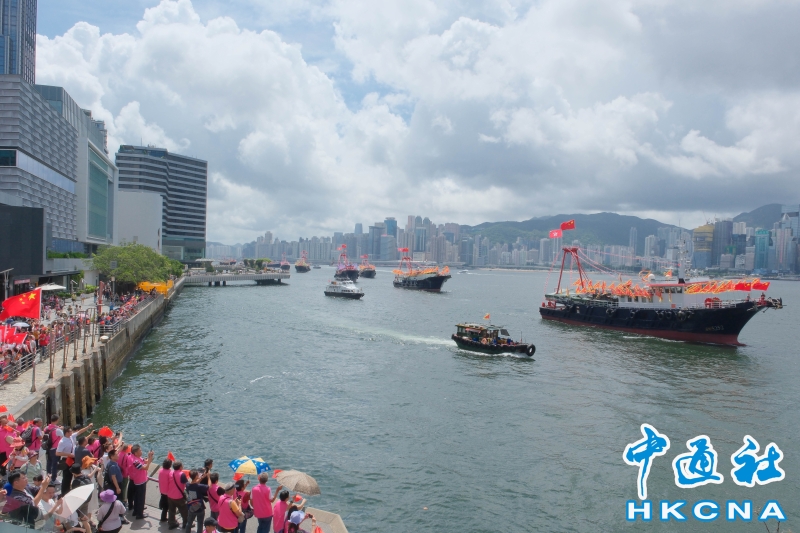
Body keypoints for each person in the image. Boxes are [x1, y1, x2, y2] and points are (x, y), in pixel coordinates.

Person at [129, 445, 155, 520]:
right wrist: (149, 461)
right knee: (141, 498)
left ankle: (135, 511)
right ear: (136, 453)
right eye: (140, 450)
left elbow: (146, 461)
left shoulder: (137, 458)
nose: (141, 451)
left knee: (137, 497)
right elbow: (146, 467)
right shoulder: (135, 461)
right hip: (140, 481)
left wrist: (150, 456)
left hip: (138, 480)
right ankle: (139, 514)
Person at [166, 460, 189, 529]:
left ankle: (171, 523)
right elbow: (187, 484)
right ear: (180, 467)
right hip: (179, 496)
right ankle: (186, 523)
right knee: (184, 510)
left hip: (170, 495)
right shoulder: (182, 474)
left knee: (171, 510)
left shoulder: (170, 473)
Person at [55, 426, 76, 493]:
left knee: (70, 475)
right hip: (66, 459)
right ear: (67, 432)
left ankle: (68, 489)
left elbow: (79, 432)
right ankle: (64, 492)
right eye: (70, 431)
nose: (72, 432)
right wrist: (68, 454)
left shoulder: (70, 437)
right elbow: (57, 453)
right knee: (66, 477)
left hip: (72, 459)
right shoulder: (62, 441)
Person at [44, 415, 63, 479]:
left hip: (48, 448)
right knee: (55, 464)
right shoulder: (58, 430)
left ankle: (48, 476)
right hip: (55, 449)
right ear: (57, 420)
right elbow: (63, 438)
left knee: (49, 462)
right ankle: (54, 479)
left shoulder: (46, 428)